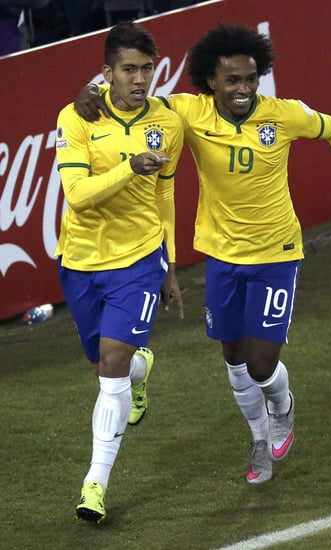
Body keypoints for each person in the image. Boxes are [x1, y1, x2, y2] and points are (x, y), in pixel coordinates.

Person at [74, 24, 331, 486]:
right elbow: (132, 91)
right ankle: (259, 440)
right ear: (211, 81)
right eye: (233, 80)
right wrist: (92, 86)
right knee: (234, 357)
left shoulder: (282, 115)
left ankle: (282, 409)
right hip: (222, 256)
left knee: (262, 364)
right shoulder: (188, 112)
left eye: (250, 79)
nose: (243, 89)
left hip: (277, 252)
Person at [55, 21, 184, 523]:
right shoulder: (77, 116)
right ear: (106, 73)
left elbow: (166, 194)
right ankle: (141, 367)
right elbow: (77, 196)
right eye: (128, 69)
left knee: (109, 366)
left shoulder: (168, 121)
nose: (139, 78)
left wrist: (170, 264)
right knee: (106, 364)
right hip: (81, 262)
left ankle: (94, 484)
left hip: (138, 260)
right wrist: (131, 166)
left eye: (146, 68)